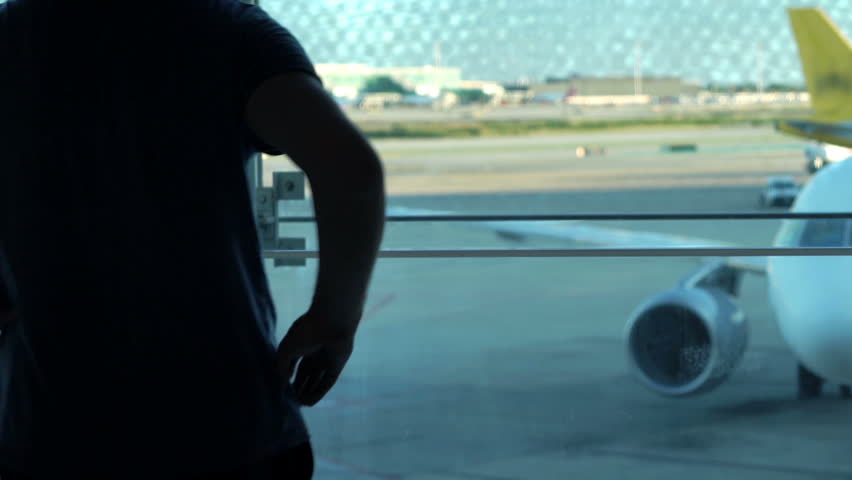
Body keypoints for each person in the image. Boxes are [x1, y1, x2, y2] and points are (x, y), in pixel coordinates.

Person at [0, 0, 385, 478]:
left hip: (50, 432)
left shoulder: (10, 34)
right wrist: (334, 317)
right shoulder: (227, 27)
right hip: (228, 429)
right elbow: (352, 171)